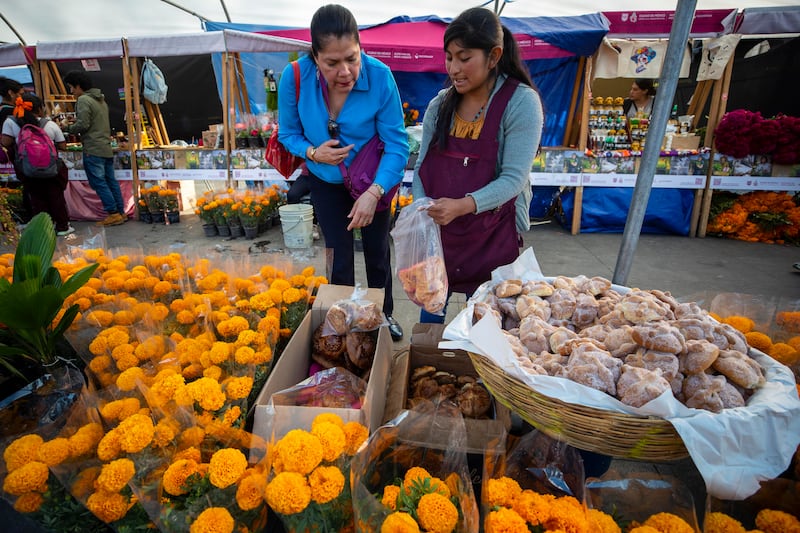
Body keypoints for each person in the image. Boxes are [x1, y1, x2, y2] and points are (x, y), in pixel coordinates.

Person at [277, 4, 409, 340]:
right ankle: (344, 319)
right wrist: (312, 152)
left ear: (361, 47)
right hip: (325, 180)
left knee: (377, 253)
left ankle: (383, 315)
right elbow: (288, 133)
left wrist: (375, 192)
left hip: (372, 181)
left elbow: (397, 145)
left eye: (352, 58)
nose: (345, 72)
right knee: (338, 256)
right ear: (315, 57)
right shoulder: (295, 77)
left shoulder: (380, 77)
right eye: (332, 63)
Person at [411, 7, 543, 323]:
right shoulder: (440, 105)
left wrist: (462, 205)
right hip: (441, 235)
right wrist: (422, 209)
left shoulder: (521, 103)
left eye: (464, 58)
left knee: (485, 323)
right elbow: (421, 168)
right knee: (429, 321)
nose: (454, 68)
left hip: (491, 235)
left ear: (494, 56)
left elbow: (513, 179)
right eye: (449, 57)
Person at [0, 93, 74, 235]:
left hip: (27, 168)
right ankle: (62, 227)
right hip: (51, 168)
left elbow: (5, 143)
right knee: (56, 196)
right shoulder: (49, 124)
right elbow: (62, 145)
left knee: (36, 198)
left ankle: (43, 229)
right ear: (39, 109)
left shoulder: (10, 122)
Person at [62, 71, 127, 226]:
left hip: (93, 148)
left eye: (71, 87)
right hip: (105, 147)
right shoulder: (100, 100)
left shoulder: (83, 99)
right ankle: (120, 212)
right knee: (111, 181)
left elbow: (83, 125)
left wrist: (67, 128)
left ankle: (113, 213)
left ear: (78, 86)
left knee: (99, 182)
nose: (71, 91)